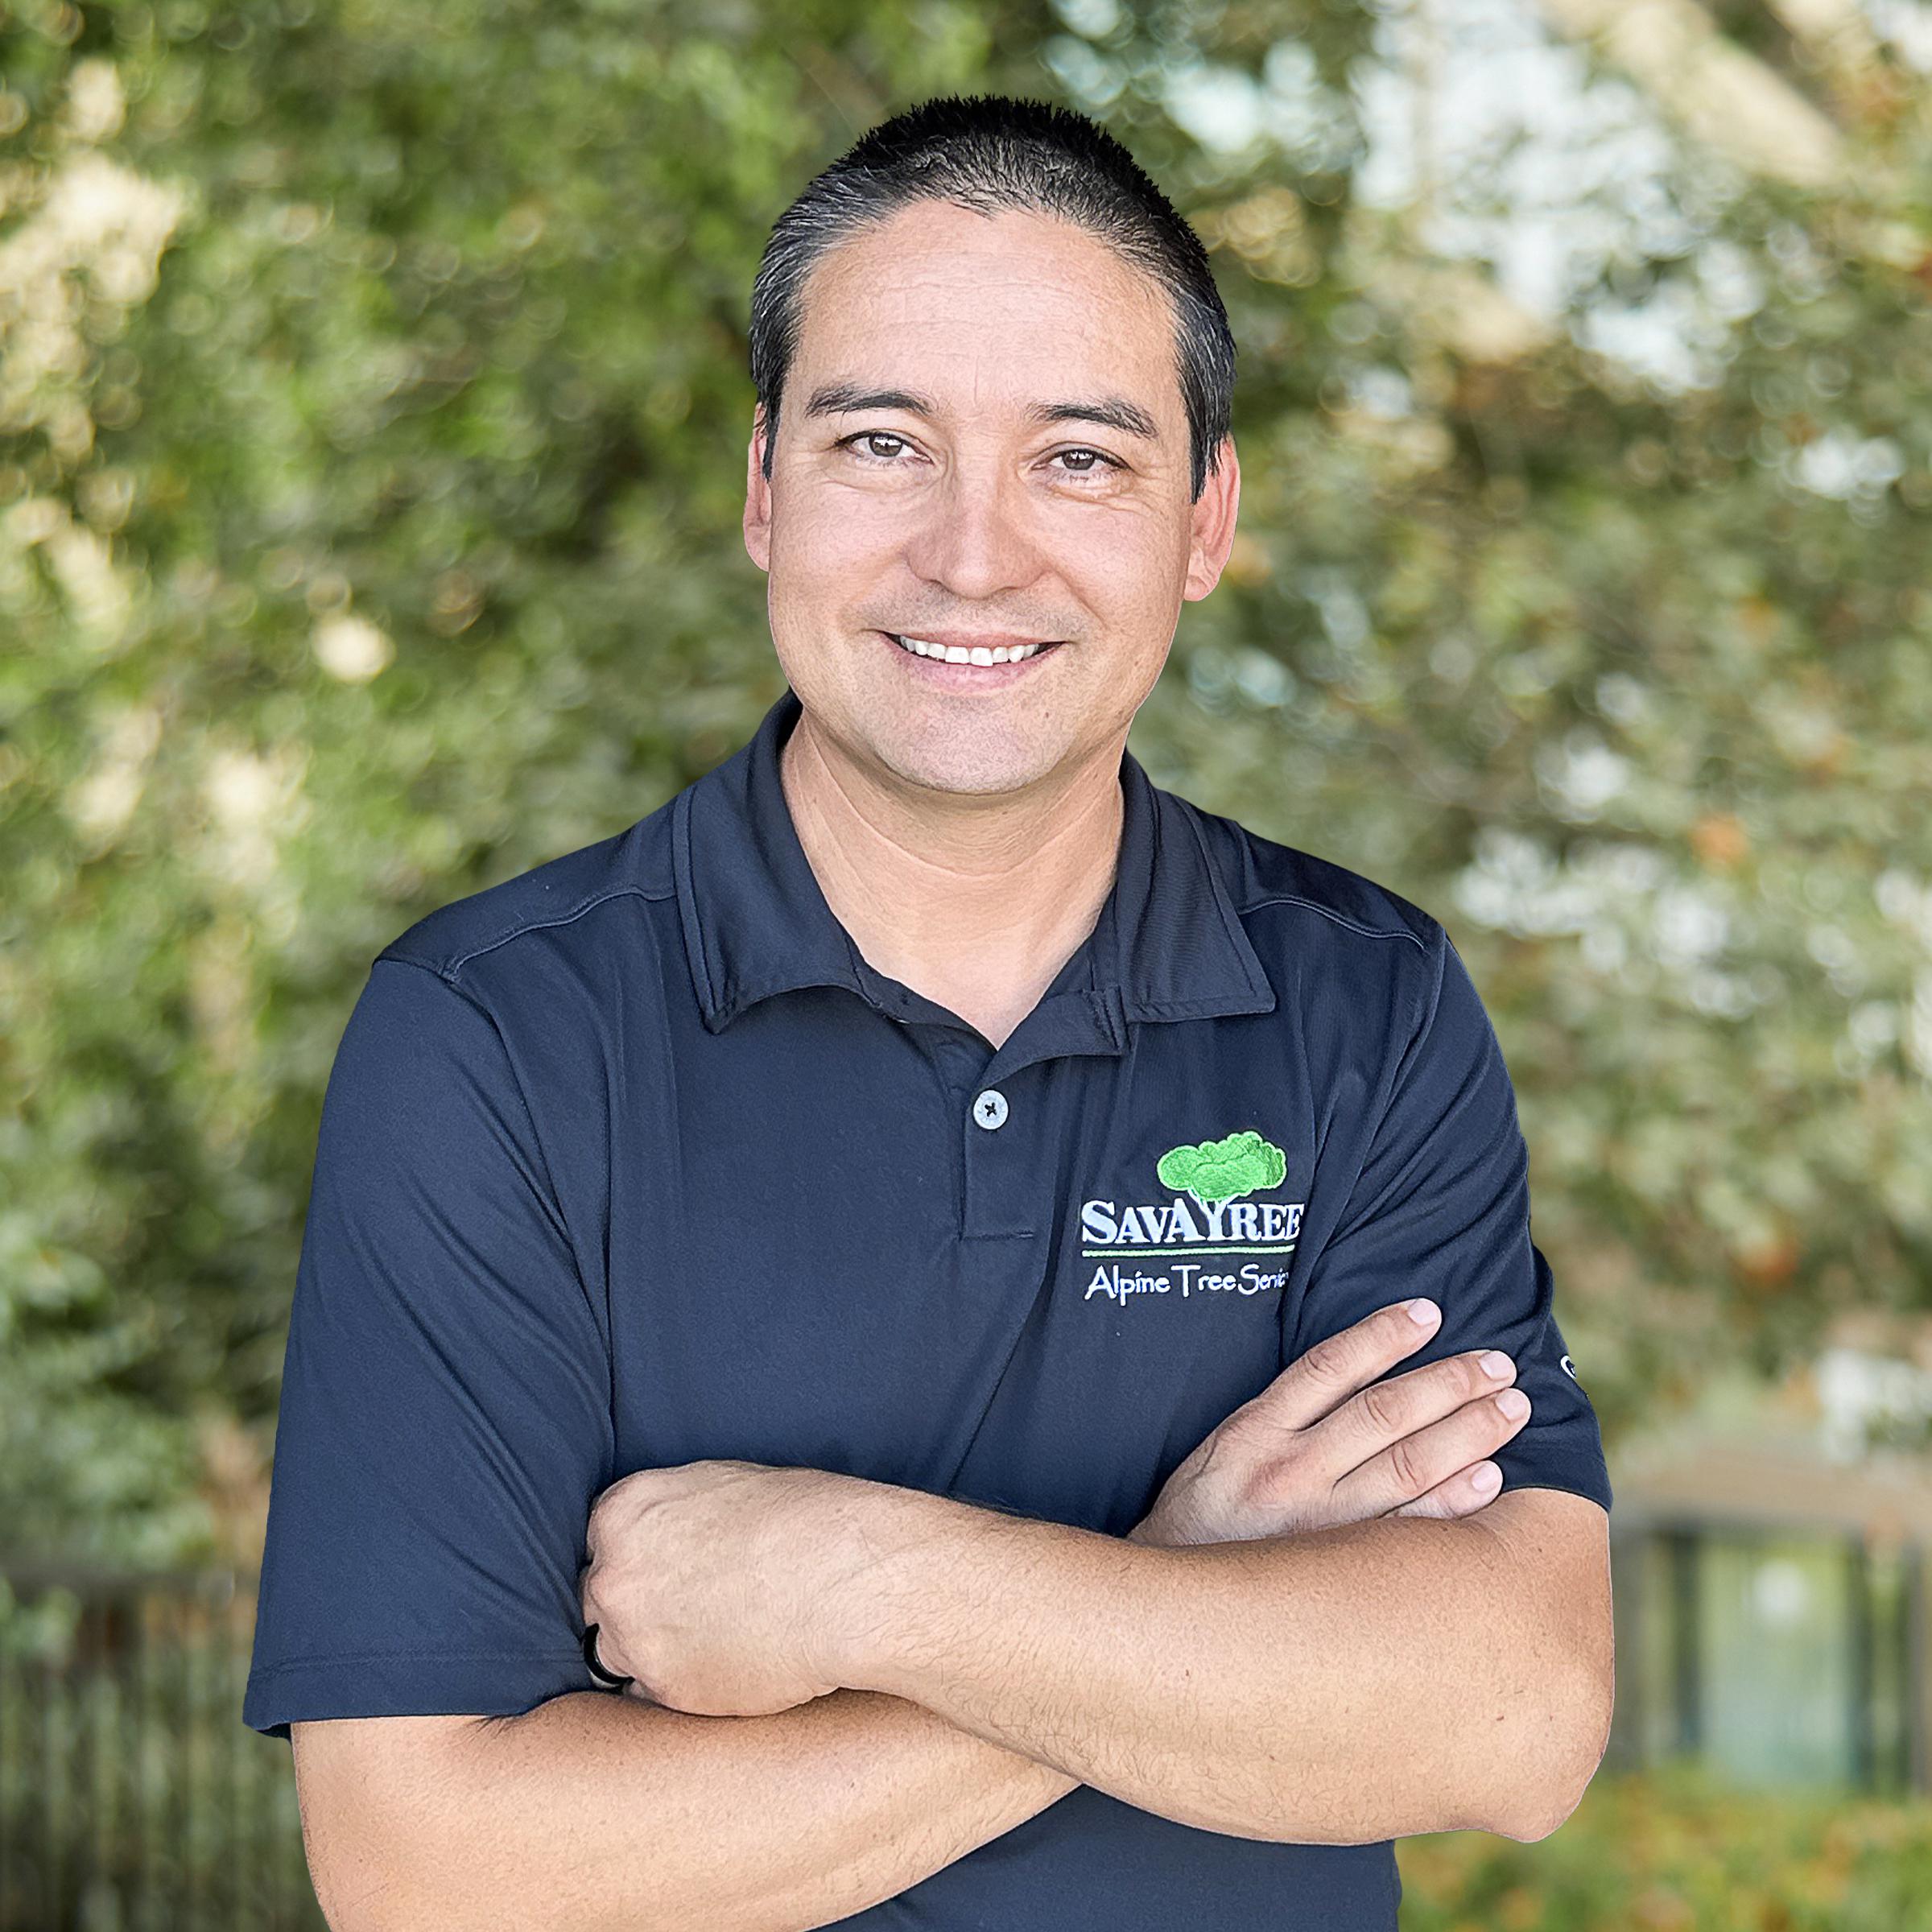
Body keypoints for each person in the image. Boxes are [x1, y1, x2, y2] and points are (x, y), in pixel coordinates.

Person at [245, 93, 1614, 1930]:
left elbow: (1512, 1716)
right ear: (762, 488)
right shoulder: (494, 1038)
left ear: (1204, 520)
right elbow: (432, 1868)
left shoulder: (1363, 1005)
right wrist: (1189, 1583)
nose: (975, 555)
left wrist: (880, 1587)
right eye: (884, 441)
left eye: (1080, 459)